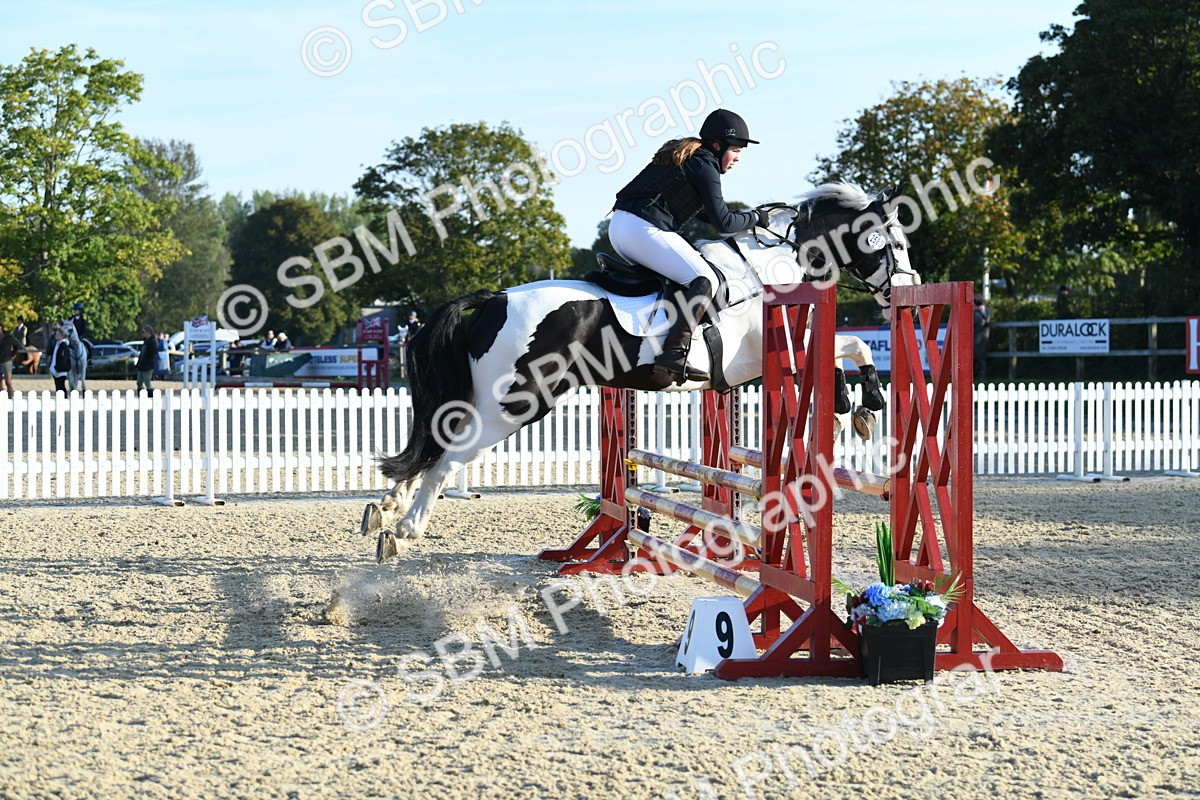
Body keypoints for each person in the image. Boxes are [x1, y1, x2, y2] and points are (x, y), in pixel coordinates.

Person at [609, 108, 765, 383]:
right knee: (704, 278)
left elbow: (705, 213)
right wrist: (755, 217)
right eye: (736, 150)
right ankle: (673, 353)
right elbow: (724, 223)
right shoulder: (706, 165)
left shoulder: (692, 158)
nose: (738, 158)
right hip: (641, 228)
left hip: (621, 227)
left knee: (685, 273)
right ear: (717, 145)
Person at [973, 294, 992, 380]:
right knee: (974, 358)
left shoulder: (984, 311)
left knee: (980, 358)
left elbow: (984, 321)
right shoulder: (975, 312)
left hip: (981, 338)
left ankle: (980, 377)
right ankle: (975, 376)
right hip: (976, 338)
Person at [48, 326, 71, 393]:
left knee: (61, 387)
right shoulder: (58, 344)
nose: (56, 336)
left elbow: (63, 358)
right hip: (57, 369)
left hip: (60, 370)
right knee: (58, 387)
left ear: (61, 335)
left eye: (57, 334)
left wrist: (57, 368)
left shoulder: (63, 345)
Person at [0, 321, 19, 398]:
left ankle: (11, 398)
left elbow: (17, 344)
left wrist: (13, 354)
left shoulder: (8, 337)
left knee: (8, 381)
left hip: (6, 361)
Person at [136, 325, 156, 395]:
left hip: (148, 365)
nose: (142, 334)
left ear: (148, 332)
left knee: (147, 382)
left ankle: (151, 396)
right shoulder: (145, 342)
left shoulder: (152, 342)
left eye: (144, 332)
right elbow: (142, 354)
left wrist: (148, 363)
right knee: (139, 382)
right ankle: (141, 395)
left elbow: (152, 354)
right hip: (142, 365)